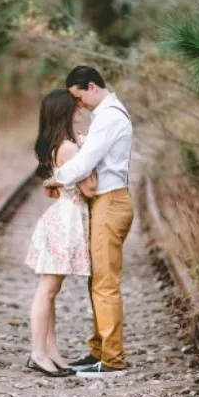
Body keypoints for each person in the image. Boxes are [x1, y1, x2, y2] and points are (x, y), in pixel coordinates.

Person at [44, 66, 133, 377]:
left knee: (105, 283)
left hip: (110, 202)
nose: (77, 105)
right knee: (97, 281)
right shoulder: (104, 116)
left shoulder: (109, 117)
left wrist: (54, 180)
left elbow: (84, 164)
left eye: (78, 96)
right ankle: (99, 350)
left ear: (91, 86)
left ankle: (112, 359)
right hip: (105, 203)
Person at [25, 89, 97, 377]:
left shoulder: (62, 144)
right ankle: (38, 353)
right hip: (66, 221)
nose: (79, 110)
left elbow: (55, 186)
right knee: (48, 290)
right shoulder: (68, 147)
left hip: (63, 216)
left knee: (51, 291)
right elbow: (89, 188)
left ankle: (51, 351)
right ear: (64, 113)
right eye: (74, 107)